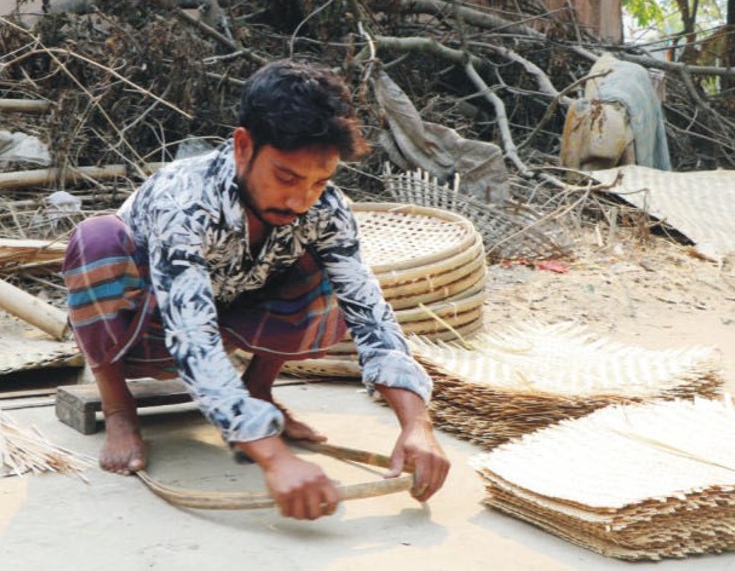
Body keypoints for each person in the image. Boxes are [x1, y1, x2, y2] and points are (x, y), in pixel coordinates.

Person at [63, 59, 449, 521]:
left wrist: (417, 424)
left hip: (237, 308)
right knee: (96, 240)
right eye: (286, 177)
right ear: (243, 146)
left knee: (331, 268)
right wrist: (274, 457)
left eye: (319, 181)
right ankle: (118, 405)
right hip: (147, 322)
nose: (299, 199)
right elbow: (192, 336)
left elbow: (368, 311)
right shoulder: (182, 200)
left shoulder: (324, 207)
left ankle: (259, 387)